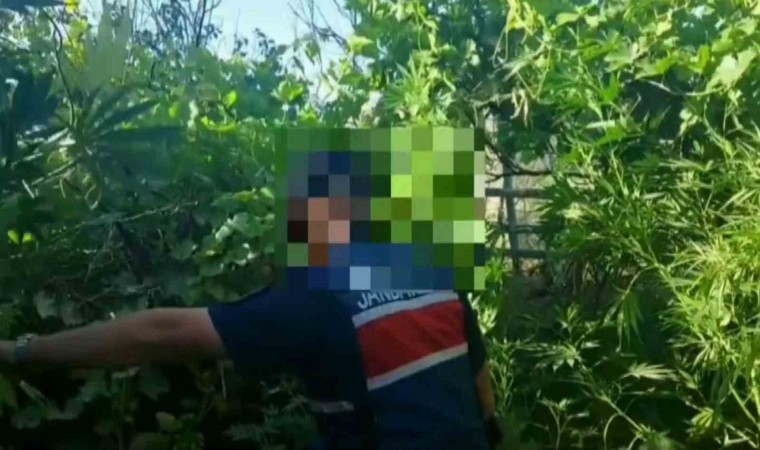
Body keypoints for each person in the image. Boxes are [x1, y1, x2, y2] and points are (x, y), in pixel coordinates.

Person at [0, 198, 502, 450]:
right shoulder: (438, 282)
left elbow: (158, 334)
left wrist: (24, 352)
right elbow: (481, 388)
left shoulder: (313, 302)